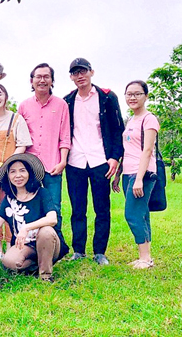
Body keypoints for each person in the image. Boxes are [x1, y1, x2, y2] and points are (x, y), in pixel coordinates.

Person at [64, 58, 124, 265]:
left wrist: (114, 157)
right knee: (77, 209)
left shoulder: (107, 97)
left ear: (91, 72)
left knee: (102, 208)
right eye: (75, 73)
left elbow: (117, 129)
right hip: (75, 161)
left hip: (101, 160)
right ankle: (78, 251)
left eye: (83, 71)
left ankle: (100, 252)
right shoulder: (67, 101)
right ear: (71, 77)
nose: (80, 76)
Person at [0, 154, 69, 282]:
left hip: (47, 242)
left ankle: (45, 275)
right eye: (13, 172)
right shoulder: (8, 199)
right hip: (25, 246)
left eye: (22, 170)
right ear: (8, 176)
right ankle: (38, 264)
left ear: (29, 173)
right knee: (9, 262)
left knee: (46, 231)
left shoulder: (42, 193)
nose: (18, 175)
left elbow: (52, 219)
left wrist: (26, 227)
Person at [0, 83, 32, 258]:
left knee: (12, 207)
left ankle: (11, 244)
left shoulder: (16, 119)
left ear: (6, 97)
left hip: (13, 173)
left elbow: (22, 145)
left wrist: (8, 165)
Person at [112, 81, 160, 269]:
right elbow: (128, 150)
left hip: (142, 174)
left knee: (132, 214)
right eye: (129, 94)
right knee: (141, 213)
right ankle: (145, 256)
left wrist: (139, 179)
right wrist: (119, 173)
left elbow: (147, 150)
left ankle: (145, 259)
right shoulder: (131, 120)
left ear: (146, 96)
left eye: (137, 94)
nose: (132, 97)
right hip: (128, 172)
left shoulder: (149, 119)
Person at [18, 63, 71, 233]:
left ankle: (57, 242)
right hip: (29, 166)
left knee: (54, 207)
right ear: (31, 81)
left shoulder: (61, 105)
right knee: (30, 206)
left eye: (46, 77)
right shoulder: (24, 106)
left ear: (52, 81)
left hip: (53, 166)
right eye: (38, 77)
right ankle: (30, 241)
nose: (42, 80)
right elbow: (18, 136)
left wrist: (63, 161)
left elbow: (65, 136)